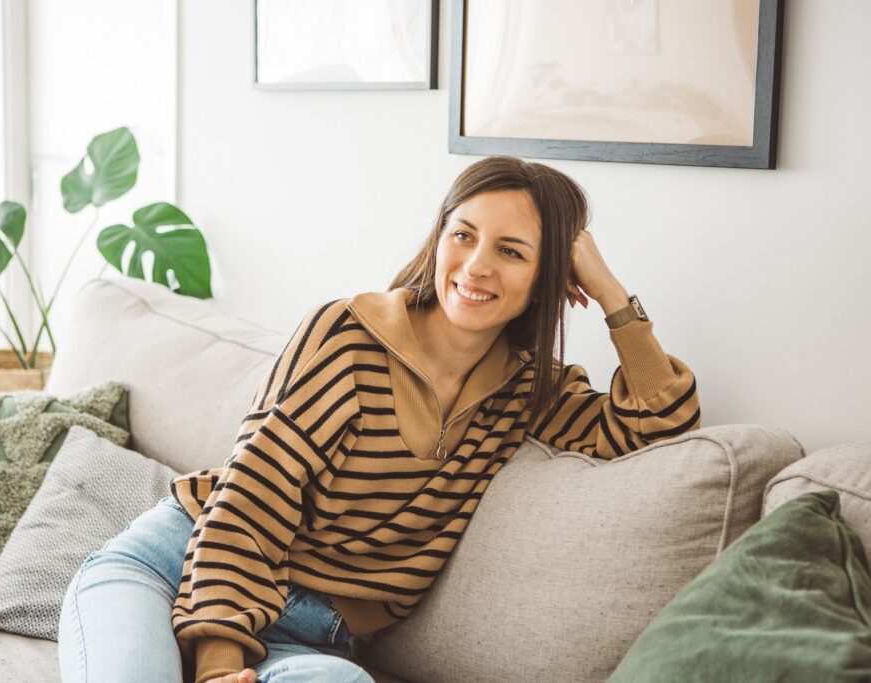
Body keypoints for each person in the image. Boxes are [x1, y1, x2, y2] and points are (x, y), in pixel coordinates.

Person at [58, 156, 701, 683]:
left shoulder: (531, 393)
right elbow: (253, 498)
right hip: (177, 569)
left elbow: (656, 421)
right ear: (439, 235)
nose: (476, 265)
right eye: (464, 234)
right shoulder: (347, 336)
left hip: (309, 636)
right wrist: (218, 662)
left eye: (511, 251)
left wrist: (612, 293)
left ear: (548, 276)